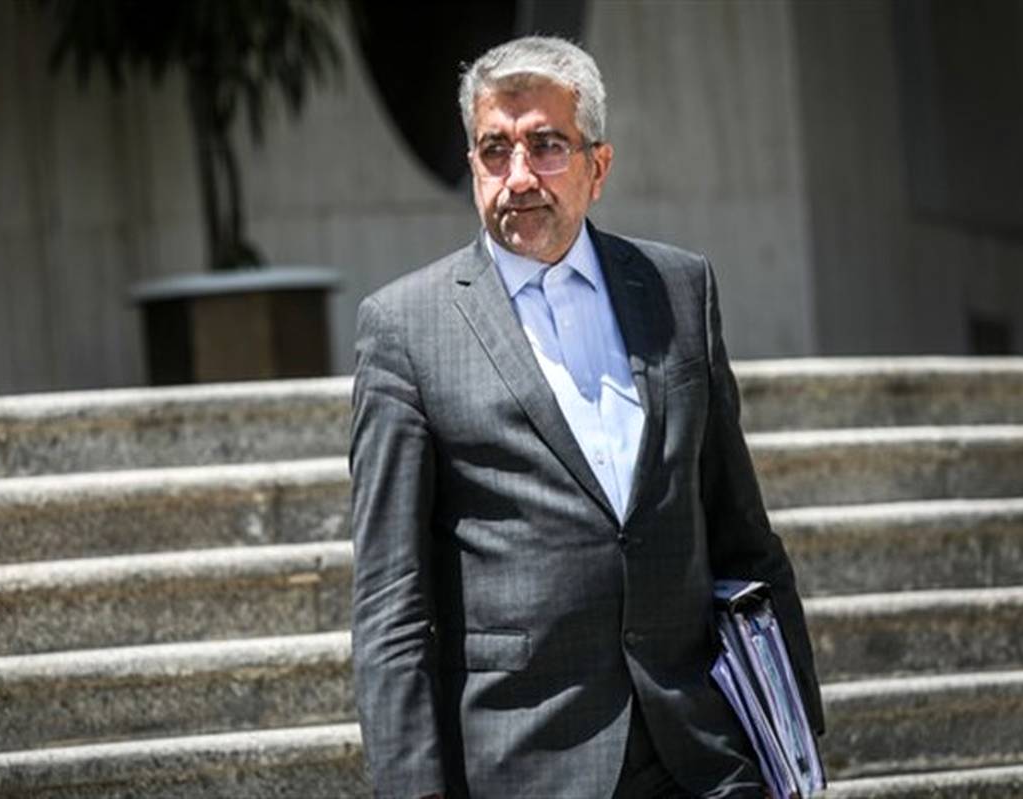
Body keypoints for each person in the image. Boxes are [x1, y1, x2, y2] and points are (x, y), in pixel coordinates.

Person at [349, 36, 823, 799]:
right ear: (473, 165)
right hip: (526, 761)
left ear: (597, 167)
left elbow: (743, 533)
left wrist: (793, 733)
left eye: (545, 146)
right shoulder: (406, 328)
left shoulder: (679, 289)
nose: (518, 176)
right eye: (495, 150)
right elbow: (390, 603)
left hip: (703, 755)